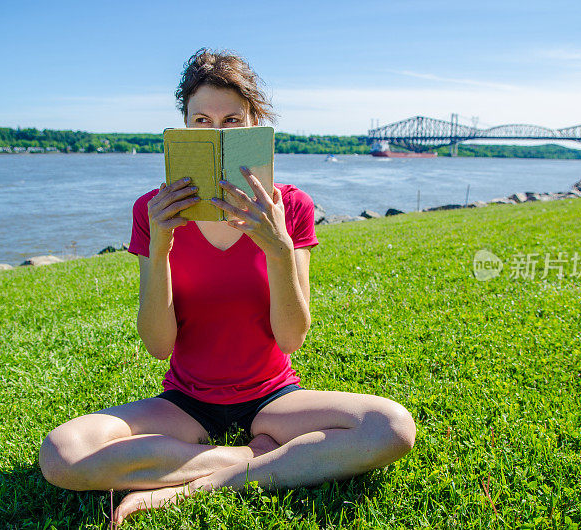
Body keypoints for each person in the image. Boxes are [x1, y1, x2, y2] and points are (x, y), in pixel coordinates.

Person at [39, 48, 416, 524]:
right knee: (61, 454)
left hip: (272, 398)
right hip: (186, 402)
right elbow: (159, 345)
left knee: (391, 427)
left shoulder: (290, 206)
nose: (216, 131)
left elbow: (292, 338)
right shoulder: (152, 211)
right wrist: (160, 245)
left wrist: (277, 246)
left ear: (255, 123)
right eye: (202, 119)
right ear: (184, 127)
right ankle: (244, 458)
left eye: (232, 120)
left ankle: (217, 477)